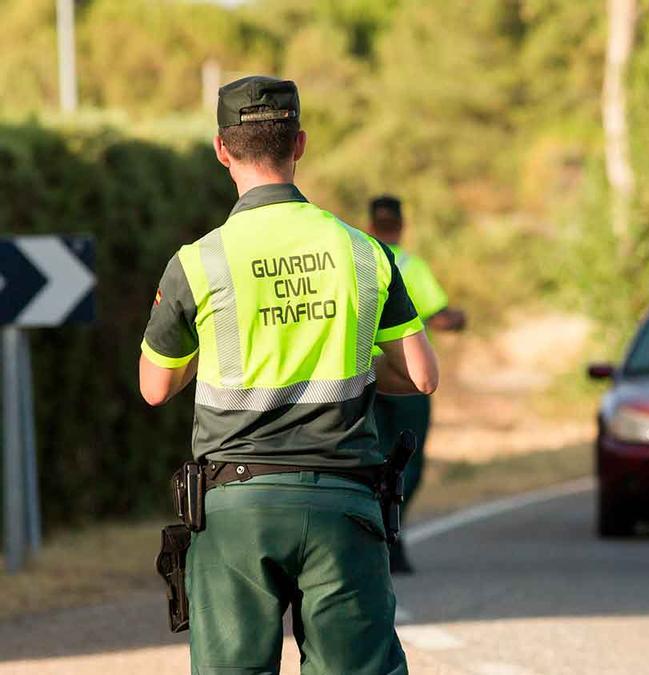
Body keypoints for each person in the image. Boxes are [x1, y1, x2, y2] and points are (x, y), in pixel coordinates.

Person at [138, 75, 436, 674]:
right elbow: (422, 375)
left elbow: (155, 387)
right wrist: (347, 358)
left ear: (221, 150)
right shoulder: (363, 251)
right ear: (299, 144)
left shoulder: (197, 261)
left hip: (235, 511)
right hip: (344, 502)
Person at [366, 195, 466, 574]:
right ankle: (392, 533)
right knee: (410, 462)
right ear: (403, 225)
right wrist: (458, 320)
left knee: (369, 457)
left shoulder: (360, 261)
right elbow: (438, 318)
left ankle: (374, 532)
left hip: (365, 379)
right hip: (405, 378)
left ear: (372, 224)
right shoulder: (409, 265)